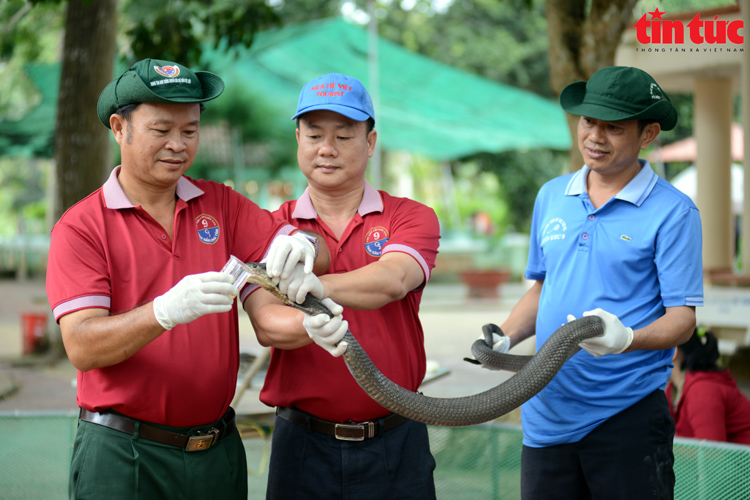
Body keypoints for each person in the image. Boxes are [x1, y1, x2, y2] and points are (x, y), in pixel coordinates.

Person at [45, 58, 330, 500]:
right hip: (123, 454)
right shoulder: (81, 226)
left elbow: (310, 250)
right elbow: (81, 346)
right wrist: (163, 312)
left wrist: (304, 246)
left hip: (215, 450)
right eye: (161, 130)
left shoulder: (221, 204)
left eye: (190, 131)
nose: (178, 145)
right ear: (119, 128)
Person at [491, 66, 703, 499]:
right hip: (545, 413)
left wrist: (627, 338)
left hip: (626, 416)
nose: (595, 137)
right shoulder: (552, 195)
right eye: (589, 121)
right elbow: (541, 288)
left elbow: (682, 319)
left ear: (648, 134)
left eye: (614, 127)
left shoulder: (674, 212)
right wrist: (505, 337)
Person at [243, 73, 441, 500]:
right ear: (298, 138)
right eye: (314, 134)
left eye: (344, 135)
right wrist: (308, 328)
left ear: (370, 142)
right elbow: (266, 324)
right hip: (302, 444)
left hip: (397, 437)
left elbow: (394, 279)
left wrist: (317, 286)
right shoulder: (266, 227)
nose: (327, 148)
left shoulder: (411, 216)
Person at [666, 328, 750, 444]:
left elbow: (712, 456)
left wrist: (663, 449)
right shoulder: (673, 389)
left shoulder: (702, 391)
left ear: (673, 352)